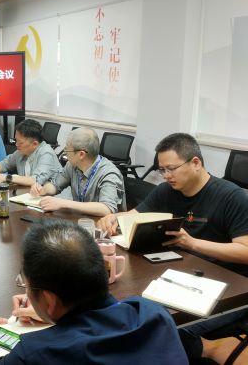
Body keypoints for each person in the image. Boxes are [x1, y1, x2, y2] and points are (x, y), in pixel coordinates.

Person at [0, 220, 188, 365]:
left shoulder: (39, 353)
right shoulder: (151, 313)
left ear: (50, 300)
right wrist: (55, 316)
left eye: (26, 284)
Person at [97, 133, 248, 359]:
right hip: (182, 274)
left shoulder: (231, 197)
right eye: (162, 170)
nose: (166, 176)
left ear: (195, 163)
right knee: (132, 309)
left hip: (231, 289)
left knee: (165, 327)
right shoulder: (167, 190)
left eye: (171, 169)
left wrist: (193, 243)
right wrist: (114, 218)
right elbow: (133, 215)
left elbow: (245, 251)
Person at [30, 128, 125, 216]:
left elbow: (107, 209)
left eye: (67, 150)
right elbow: (55, 185)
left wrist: (63, 203)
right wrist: (42, 189)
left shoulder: (109, 173)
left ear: (81, 154)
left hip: (105, 224)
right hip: (81, 219)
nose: (65, 153)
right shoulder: (72, 165)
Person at [0, 119, 61, 187]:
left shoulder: (47, 154)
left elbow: (35, 180)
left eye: (20, 142)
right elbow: (5, 164)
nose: (16, 144)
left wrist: (7, 178)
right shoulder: (21, 152)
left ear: (34, 144)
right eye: (16, 140)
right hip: (28, 194)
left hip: (52, 198)